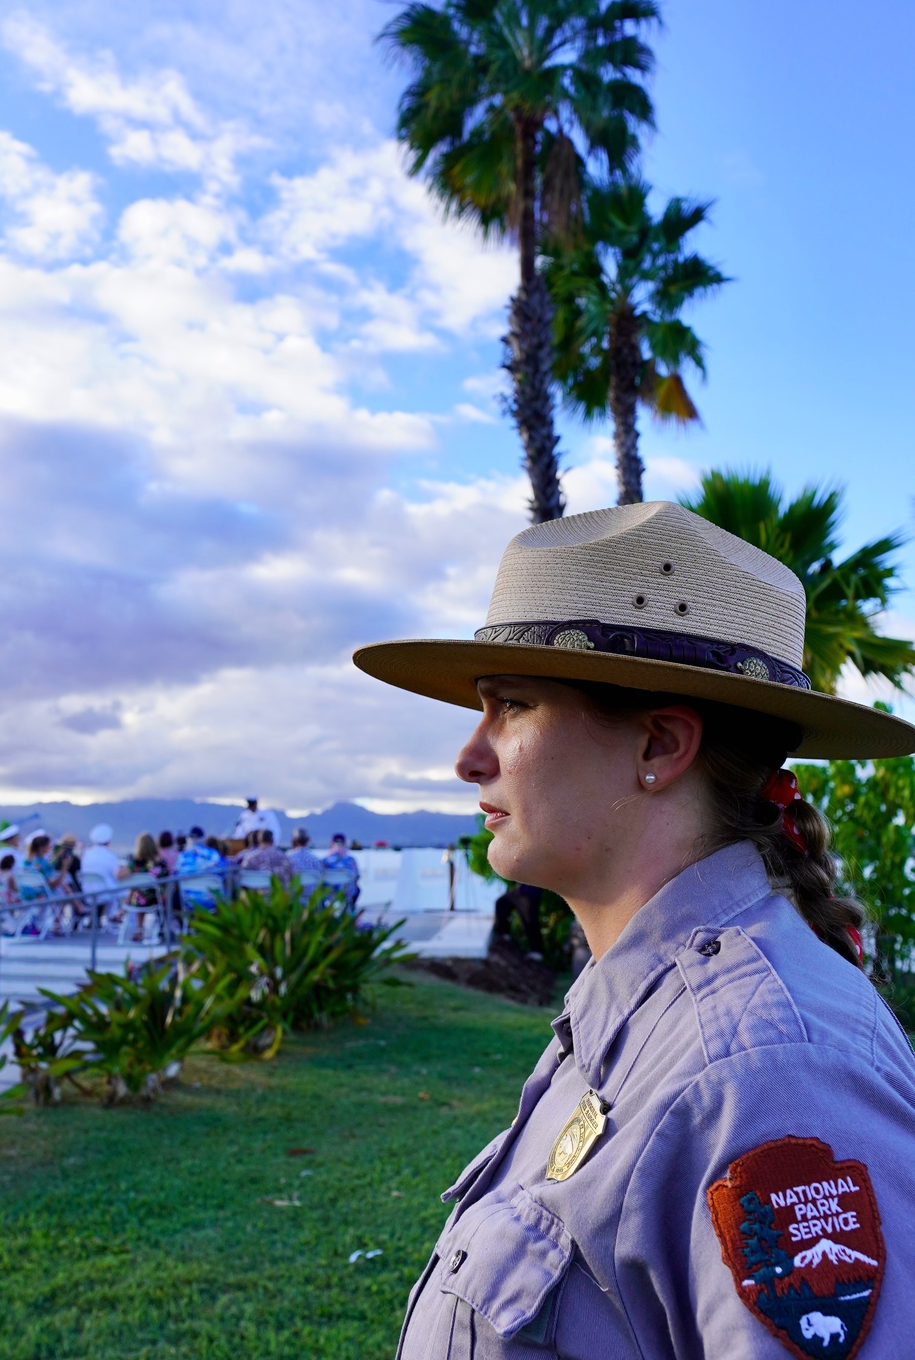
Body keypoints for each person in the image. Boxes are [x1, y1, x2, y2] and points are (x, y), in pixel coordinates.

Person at [353, 499, 915, 1358]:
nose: (469, 756)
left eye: (511, 705)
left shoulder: (764, 1074)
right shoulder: (640, 1010)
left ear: (658, 744)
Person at [123, 832, 169, 942]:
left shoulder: (135, 863)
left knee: (138, 893)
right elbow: (166, 880)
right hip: (157, 900)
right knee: (150, 893)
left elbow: (119, 875)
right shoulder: (161, 863)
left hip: (139, 901)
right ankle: (161, 929)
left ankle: (139, 931)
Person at [80, 824, 127, 916]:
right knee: (127, 891)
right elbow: (117, 875)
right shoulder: (110, 855)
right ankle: (115, 916)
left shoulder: (87, 854)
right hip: (106, 893)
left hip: (88, 892)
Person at [321, 833, 360, 909]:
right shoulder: (351, 860)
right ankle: (350, 912)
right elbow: (357, 877)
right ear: (345, 844)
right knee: (357, 889)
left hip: (328, 894)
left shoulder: (325, 861)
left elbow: (320, 879)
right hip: (347, 894)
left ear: (331, 843)